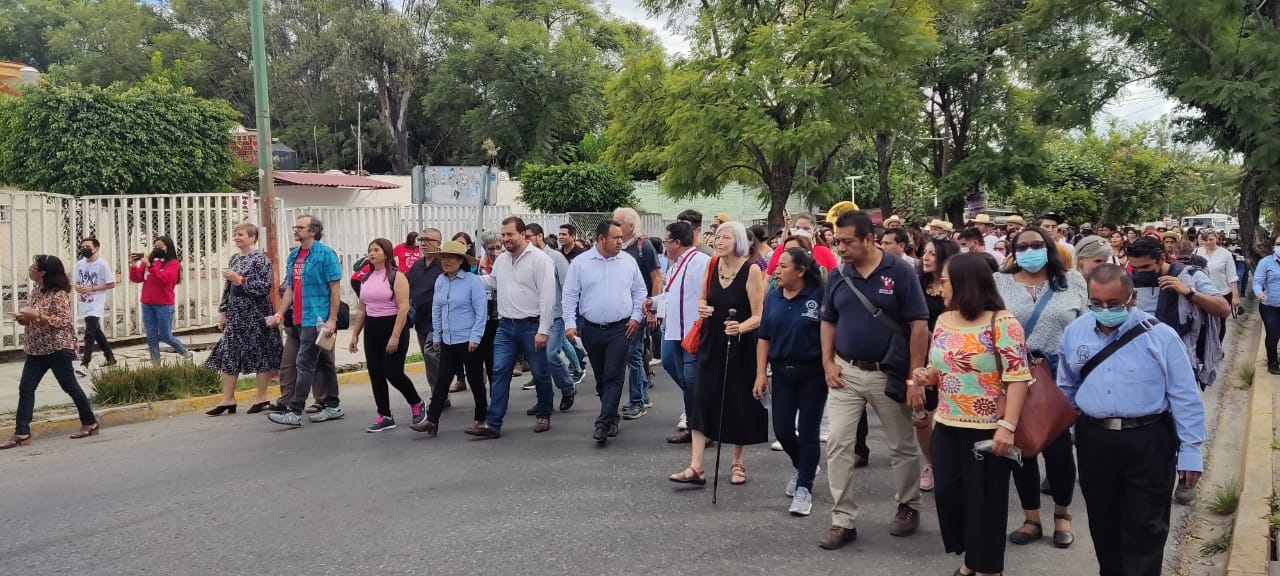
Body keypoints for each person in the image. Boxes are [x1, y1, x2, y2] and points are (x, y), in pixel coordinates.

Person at [1058, 264, 1205, 576]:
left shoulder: (1161, 337)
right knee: (1102, 519)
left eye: (1114, 304)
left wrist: (1191, 452)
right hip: (1095, 439)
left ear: (1132, 298)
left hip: (1149, 439)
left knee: (1146, 525)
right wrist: (1073, 429)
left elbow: (1185, 396)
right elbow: (1066, 386)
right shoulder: (1075, 333)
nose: (1105, 310)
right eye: (1096, 303)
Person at [914, 253, 1031, 576]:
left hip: (988, 429)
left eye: (946, 281)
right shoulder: (943, 320)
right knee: (949, 494)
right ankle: (973, 558)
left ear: (964, 284)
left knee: (986, 503)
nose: (940, 287)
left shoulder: (1003, 322)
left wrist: (1007, 427)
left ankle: (986, 568)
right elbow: (940, 366)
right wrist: (928, 375)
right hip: (947, 424)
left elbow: (1018, 377)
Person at [819, 210, 928, 550]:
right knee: (838, 443)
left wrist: (915, 377)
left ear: (869, 239)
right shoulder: (838, 275)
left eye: (847, 242)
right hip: (846, 373)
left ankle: (908, 506)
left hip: (888, 373)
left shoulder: (900, 272)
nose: (840, 248)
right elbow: (828, 320)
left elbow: (919, 325)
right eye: (837, 242)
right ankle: (843, 519)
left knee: (901, 445)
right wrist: (827, 361)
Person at [994, 226, 1088, 549]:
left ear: (1048, 247)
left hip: (1059, 375)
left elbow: (1086, 325)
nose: (1030, 250)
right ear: (1013, 250)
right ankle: (1031, 517)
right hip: (1014, 374)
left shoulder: (1072, 281)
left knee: (1059, 448)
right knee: (1022, 448)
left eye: (1037, 244)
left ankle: (1062, 514)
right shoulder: (999, 281)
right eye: (1023, 246)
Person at [668, 221, 768, 485]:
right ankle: (696, 467)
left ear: (739, 242)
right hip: (711, 341)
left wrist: (739, 328)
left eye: (726, 237)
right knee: (701, 398)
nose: (719, 241)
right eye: (717, 237)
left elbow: (759, 316)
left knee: (737, 402)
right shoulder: (712, 265)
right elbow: (702, 298)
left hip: (740, 345)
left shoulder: (751, 271)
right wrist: (702, 308)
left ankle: (737, 462)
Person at [466, 217, 558, 439]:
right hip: (505, 326)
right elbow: (493, 282)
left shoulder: (540, 260)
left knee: (540, 372)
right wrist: (467, 279)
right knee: (499, 373)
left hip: (532, 325)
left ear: (523, 233)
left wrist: (543, 330)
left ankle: (544, 414)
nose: (505, 239)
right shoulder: (502, 261)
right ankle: (493, 423)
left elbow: (548, 297)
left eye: (510, 234)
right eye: (503, 235)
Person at [754, 247, 826, 516]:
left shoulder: (818, 296)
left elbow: (830, 332)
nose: (778, 271)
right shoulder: (773, 297)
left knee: (808, 431)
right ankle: (805, 465)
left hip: (813, 373)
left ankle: (804, 486)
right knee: (782, 429)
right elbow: (764, 337)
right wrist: (761, 372)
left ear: (800, 270)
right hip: (782, 371)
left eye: (783, 266)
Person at [562, 220, 647, 445]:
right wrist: (569, 323)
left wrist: (636, 317)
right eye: (615, 237)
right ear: (601, 239)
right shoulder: (581, 263)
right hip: (591, 329)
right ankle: (611, 417)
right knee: (601, 377)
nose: (620, 241)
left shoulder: (628, 262)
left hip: (621, 328)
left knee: (613, 373)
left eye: (621, 237)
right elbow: (570, 295)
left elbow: (640, 292)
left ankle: (602, 424)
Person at [2, 255, 100, 449]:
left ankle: (90, 422)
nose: (31, 269)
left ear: (43, 273)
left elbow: (64, 321)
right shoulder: (36, 291)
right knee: (26, 388)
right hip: (36, 349)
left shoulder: (59, 294)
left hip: (57, 348)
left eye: (34, 267)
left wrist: (37, 315)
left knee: (69, 386)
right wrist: (25, 318)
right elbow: (36, 316)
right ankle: (22, 432)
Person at [266, 215, 344, 427]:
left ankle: (294, 411)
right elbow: (290, 289)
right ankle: (332, 405)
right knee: (324, 362)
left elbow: (335, 289)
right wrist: (280, 314)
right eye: (295, 226)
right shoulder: (294, 256)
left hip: (317, 318)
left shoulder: (326, 254)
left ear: (313, 231)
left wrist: (332, 319)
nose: (296, 229)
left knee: (304, 362)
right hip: (300, 318)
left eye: (300, 227)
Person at [1127, 236, 1230, 390]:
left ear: (1161, 258)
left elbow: (1223, 309)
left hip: (1180, 362)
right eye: (1135, 269)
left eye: (1146, 267)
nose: (1140, 273)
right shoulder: (1127, 280)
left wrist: (1188, 292)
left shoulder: (1189, 275)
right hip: (1139, 364)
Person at [348, 238, 426, 432]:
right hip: (372, 328)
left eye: (376, 250)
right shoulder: (366, 277)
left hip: (393, 325)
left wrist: (395, 336)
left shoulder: (396, 276)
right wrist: (355, 334)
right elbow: (361, 309)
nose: (372, 253)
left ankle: (416, 403)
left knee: (393, 372)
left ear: (386, 253)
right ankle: (384, 414)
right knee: (376, 373)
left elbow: (403, 307)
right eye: (370, 250)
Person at [203, 223, 282, 416]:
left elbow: (264, 288)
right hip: (236, 315)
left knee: (260, 353)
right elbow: (227, 289)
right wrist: (223, 311)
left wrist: (240, 280)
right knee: (229, 353)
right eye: (235, 234)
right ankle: (227, 398)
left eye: (241, 234)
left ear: (252, 238)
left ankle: (261, 397)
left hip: (255, 314)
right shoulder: (235, 258)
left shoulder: (261, 260)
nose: (237, 238)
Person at [413, 240, 488, 436]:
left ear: (460, 260)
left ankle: (481, 419)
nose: (446, 261)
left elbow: (481, 312)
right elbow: (436, 309)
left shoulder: (472, 281)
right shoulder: (440, 281)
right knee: (442, 380)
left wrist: (476, 337)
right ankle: (432, 420)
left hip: (469, 339)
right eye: (443, 257)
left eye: (450, 257)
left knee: (475, 380)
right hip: (448, 339)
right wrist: (437, 336)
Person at [656, 221, 712, 443]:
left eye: (667, 242)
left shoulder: (701, 262)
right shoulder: (676, 264)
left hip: (693, 332)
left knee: (691, 379)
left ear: (677, 242)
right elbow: (671, 295)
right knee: (671, 365)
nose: (665, 247)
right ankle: (700, 412)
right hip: (674, 330)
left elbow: (707, 296)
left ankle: (699, 427)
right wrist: (652, 303)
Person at [916, 237, 960, 492]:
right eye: (925, 252)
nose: (926, 257)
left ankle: (951, 462)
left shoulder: (957, 287)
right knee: (922, 414)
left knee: (948, 414)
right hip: (922, 357)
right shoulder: (916, 284)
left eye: (932, 253)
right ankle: (931, 463)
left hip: (951, 358)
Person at [614, 207, 662, 419]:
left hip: (640, 308)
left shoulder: (644, 245)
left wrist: (652, 310)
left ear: (630, 226)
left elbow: (656, 278)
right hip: (625, 308)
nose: (614, 226)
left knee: (632, 353)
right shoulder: (619, 246)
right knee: (634, 352)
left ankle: (637, 401)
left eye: (618, 223)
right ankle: (641, 397)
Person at [524, 223, 577, 413]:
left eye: (529, 236)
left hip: (555, 315)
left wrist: (569, 316)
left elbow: (568, 285)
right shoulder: (526, 259)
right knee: (537, 361)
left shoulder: (555, 257)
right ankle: (543, 400)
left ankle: (568, 387)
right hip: (533, 317)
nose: (526, 240)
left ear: (540, 236)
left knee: (551, 354)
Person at [128, 235, 191, 364]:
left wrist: (151, 266)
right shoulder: (150, 261)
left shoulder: (173, 263)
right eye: (155, 246)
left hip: (164, 305)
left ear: (167, 248)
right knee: (151, 336)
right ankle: (156, 365)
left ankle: (185, 352)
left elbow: (165, 280)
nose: (156, 249)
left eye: (160, 247)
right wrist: (134, 266)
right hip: (147, 303)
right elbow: (137, 278)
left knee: (165, 335)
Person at [408, 229, 448, 394]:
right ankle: (438, 393)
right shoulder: (417, 265)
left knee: (431, 353)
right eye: (421, 239)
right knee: (429, 359)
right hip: (421, 320)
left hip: (438, 320)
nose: (423, 243)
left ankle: (440, 393)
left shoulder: (444, 264)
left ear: (438, 244)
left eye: (428, 240)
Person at [74, 237, 117, 372]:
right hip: (84, 302)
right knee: (96, 331)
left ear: (96, 248)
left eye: (88, 246)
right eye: (83, 246)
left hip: (96, 303)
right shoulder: (79, 264)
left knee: (89, 333)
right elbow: (76, 281)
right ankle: (110, 357)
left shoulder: (102, 264)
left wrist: (91, 289)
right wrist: (78, 287)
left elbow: (111, 283)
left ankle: (85, 363)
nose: (84, 249)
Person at [1195, 230, 1240, 337]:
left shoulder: (1226, 254)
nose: (1208, 242)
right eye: (1205, 240)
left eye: (1211, 239)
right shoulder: (1197, 252)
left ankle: (1218, 347)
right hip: (1202, 293)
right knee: (1202, 323)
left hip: (1222, 293)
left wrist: (1235, 296)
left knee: (1220, 323)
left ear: (1217, 239)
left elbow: (1232, 276)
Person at [769, 213, 839, 273]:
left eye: (806, 228)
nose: (801, 231)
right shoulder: (781, 249)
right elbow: (769, 278)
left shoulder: (824, 252)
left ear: (814, 230)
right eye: (797, 228)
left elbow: (835, 278)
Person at [1255, 238, 1280, 374]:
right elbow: (1257, 281)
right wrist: (1259, 293)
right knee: (1273, 334)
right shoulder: (1265, 263)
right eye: (1278, 244)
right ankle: (1273, 363)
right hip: (1270, 306)